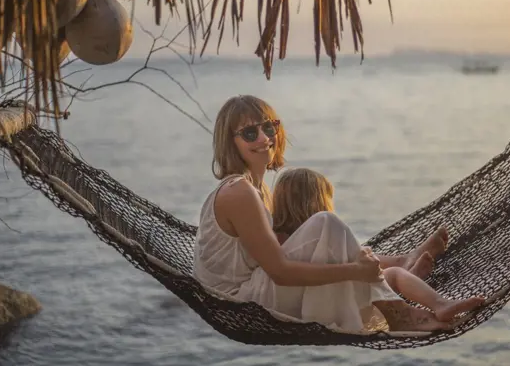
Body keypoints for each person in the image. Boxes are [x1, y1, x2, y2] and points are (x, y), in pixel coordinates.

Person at [192, 95, 478, 332]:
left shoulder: (258, 190)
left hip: (253, 292)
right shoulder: (238, 192)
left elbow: (278, 252)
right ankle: (404, 307)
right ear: (231, 143)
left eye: (270, 127)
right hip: (237, 303)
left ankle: (415, 284)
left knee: (332, 240)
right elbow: (280, 271)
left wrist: (360, 267)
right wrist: (356, 271)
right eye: (250, 133)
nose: (264, 138)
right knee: (325, 223)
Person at [271, 167, 486, 323]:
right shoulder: (290, 243)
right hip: (325, 306)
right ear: (315, 203)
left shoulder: (281, 240)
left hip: (338, 299)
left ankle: (438, 302)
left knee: (393, 274)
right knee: (367, 261)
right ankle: (406, 265)